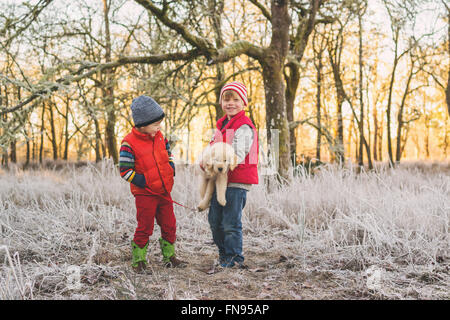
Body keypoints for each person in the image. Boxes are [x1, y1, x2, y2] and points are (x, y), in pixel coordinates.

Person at [119, 95, 186, 272]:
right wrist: (143, 181)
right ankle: (139, 261)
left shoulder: (160, 137)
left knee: (170, 224)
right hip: (145, 194)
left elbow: (168, 154)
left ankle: (169, 256)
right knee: (145, 227)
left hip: (164, 191)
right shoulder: (129, 143)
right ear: (143, 123)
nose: (159, 127)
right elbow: (125, 171)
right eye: (156, 124)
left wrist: (171, 167)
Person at [204, 81, 259, 268]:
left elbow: (238, 153)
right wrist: (205, 160)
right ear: (221, 103)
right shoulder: (221, 125)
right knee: (214, 220)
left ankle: (234, 258)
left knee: (230, 221)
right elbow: (212, 148)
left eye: (236, 99)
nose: (231, 103)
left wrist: (217, 161)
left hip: (237, 180)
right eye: (227, 100)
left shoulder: (244, 126)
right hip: (218, 180)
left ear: (243, 103)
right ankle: (223, 253)